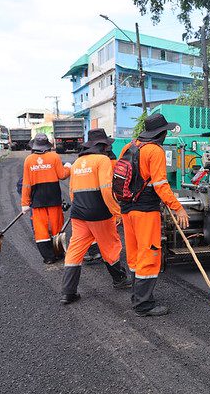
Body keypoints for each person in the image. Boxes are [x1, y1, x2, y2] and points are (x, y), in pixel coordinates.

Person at [119, 113, 189, 317]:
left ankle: (137, 296)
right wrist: (177, 207)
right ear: (161, 134)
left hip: (127, 209)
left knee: (134, 254)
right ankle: (143, 305)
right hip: (145, 210)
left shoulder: (129, 147)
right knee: (149, 253)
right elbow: (160, 185)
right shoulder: (155, 151)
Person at [60, 129, 131, 305]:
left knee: (75, 250)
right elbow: (106, 189)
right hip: (99, 213)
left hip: (78, 214)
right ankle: (119, 279)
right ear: (102, 145)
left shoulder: (77, 163)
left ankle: (68, 292)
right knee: (110, 245)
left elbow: (72, 191)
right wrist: (117, 211)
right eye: (107, 144)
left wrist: (79, 207)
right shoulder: (102, 160)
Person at [21, 133, 70, 264]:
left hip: (37, 200)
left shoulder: (29, 160)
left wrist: (25, 203)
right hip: (54, 198)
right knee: (56, 226)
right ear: (47, 145)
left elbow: (26, 183)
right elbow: (62, 175)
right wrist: (68, 167)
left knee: (40, 228)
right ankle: (58, 253)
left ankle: (48, 257)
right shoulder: (54, 156)